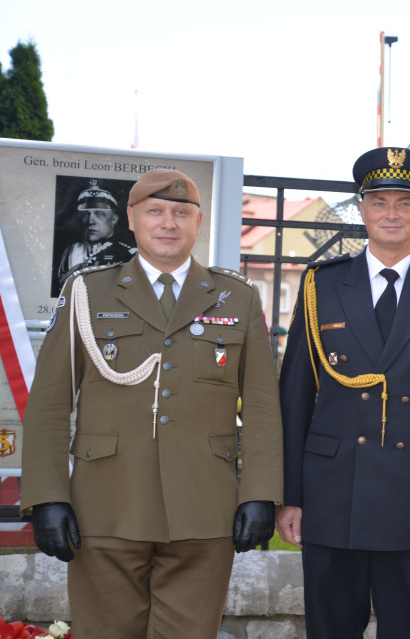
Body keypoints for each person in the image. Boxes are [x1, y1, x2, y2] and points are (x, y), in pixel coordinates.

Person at [21, 168, 283, 638]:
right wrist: (47, 495)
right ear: (132, 219)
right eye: (156, 211)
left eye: (182, 213)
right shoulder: (86, 292)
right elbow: (50, 403)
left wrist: (261, 492)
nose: (169, 223)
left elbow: (263, 406)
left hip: (204, 510)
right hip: (106, 506)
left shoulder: (237, 297)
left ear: (198, 222)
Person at [276, 147, 410, 639]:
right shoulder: (320, 285)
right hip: (333, 495)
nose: (392, 213)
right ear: (362, 209)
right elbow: (294, 397)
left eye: (404, 203)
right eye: (380, 202)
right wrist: (288, 496)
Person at [57, 179, 136, 285]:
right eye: (86, 215)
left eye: (99, 214)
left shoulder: (128, 254)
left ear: (114, 219)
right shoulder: (71, 251)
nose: (90, 221)